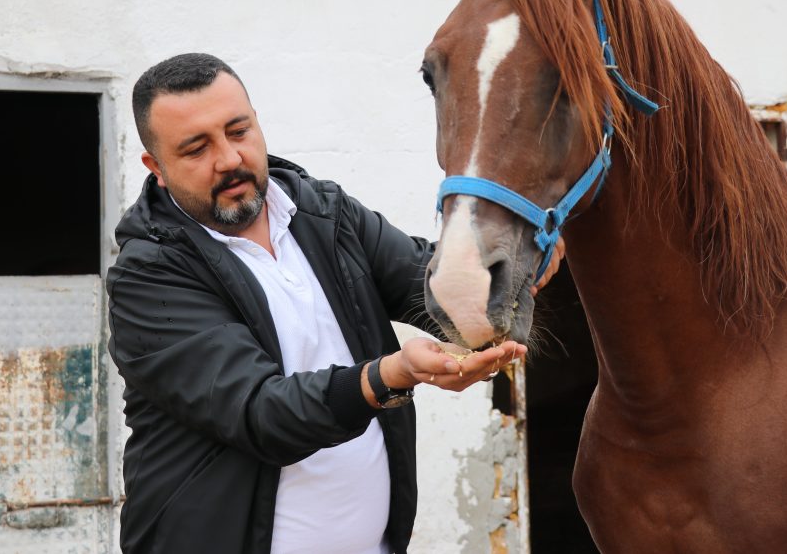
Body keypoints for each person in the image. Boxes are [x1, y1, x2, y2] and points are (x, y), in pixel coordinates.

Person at [106, 53, 560, 554]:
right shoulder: (148, 276)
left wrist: (526, 250)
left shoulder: (322, 210)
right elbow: (259, 412)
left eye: (239, 131)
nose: (229, 159)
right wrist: (388, 376)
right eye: (196, 148)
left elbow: (431, 285)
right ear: (157, 168)